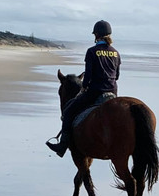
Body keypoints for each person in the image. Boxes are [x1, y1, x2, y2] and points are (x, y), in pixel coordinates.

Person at [46, 20, 120, 156]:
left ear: (96, 35)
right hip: (113, 92)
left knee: (68, 112)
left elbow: (88, 76)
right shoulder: (115, 53)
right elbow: (117, 75)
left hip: (95, 92)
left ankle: (62, 146)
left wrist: (84, 88)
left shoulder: (92, 51)